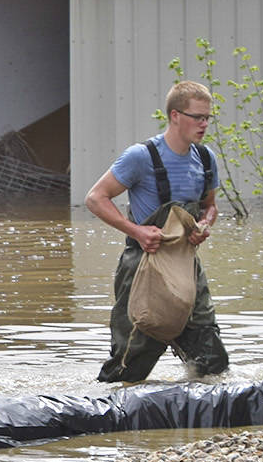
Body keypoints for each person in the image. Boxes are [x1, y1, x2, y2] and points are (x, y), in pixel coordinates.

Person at [85, 80, 229, 383]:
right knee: (130, 365)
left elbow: (210, 206)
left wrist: (204, 226)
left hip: (185, 264)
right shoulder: (140, 156)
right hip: (143, 265)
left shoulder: (205, 159)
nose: (204, 124)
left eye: (208, 118)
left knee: (211, 361)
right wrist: (136, 231)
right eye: (197, 117)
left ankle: (200, 420)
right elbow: (95, 198)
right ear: (175, 116)